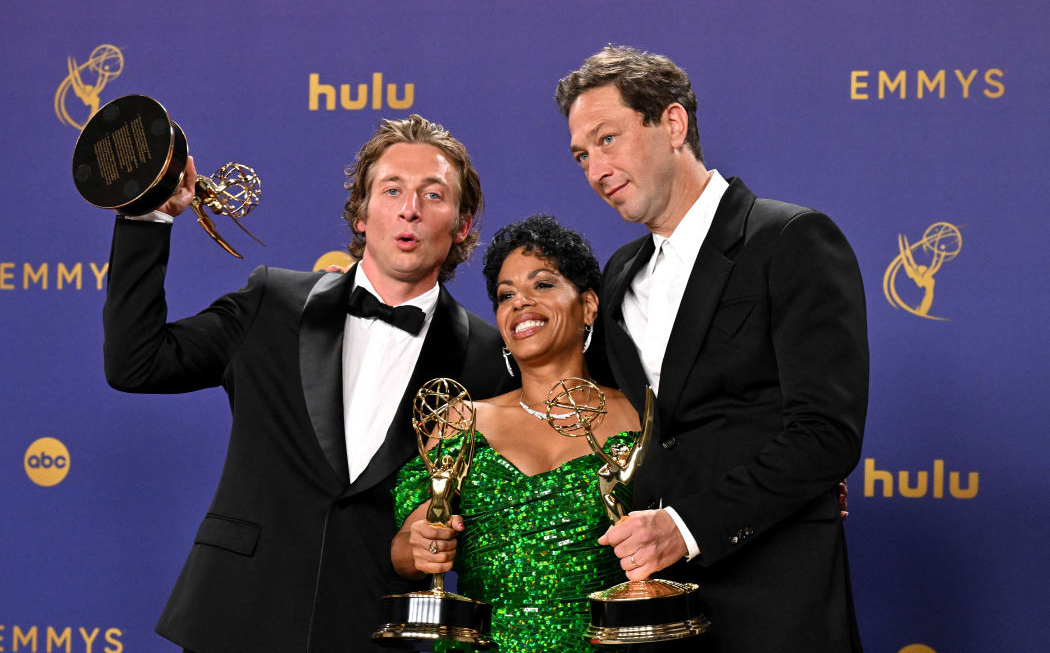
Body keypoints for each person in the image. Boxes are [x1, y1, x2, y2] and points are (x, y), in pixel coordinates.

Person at [101, 115, 512, 653]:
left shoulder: (487, 360)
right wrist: (148, 216)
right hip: (234, 617)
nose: (409, 208)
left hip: (371, 628)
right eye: (391, 190)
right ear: (361, 214)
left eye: (433, 195)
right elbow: (135, 362)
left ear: (462, 224)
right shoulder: (272, 302)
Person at [555, 45, 869, 651]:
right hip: (656, 611)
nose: (596, 168)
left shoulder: (790, 239)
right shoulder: (619, 273)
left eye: (608, 138)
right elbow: (592, 410)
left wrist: (685, 526)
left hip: (776, 599)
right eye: (581, 155)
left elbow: (825, 434)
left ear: (672, 124)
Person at [391, 214, 640, 652]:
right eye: (506, 295)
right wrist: (420, 547)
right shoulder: (460, 420)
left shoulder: (639, 418)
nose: (520, 303)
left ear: (588, 306)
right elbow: (406, 547)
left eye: (542, 285)